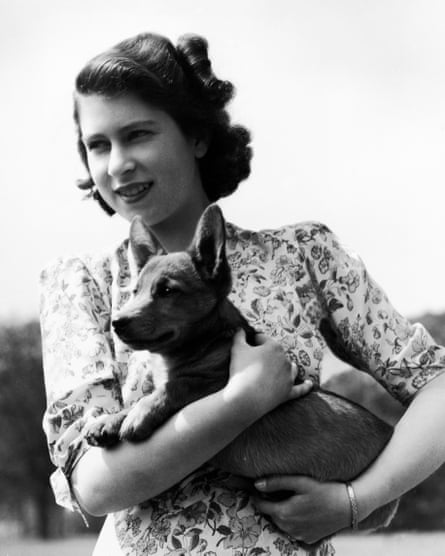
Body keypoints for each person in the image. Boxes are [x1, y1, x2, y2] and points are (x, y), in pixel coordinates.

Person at [40, 32, 445, 556]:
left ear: (198, 137)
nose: (117, 164)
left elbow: (437, 388)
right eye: (98, 145)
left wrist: (356, 499)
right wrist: (243, 400)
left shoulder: (304, 255)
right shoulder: (85, 285)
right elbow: (95, 486)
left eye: (138, 135)